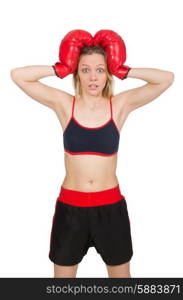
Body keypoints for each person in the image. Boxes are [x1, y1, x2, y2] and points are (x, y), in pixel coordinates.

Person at [10, 30, 174, 278]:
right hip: (71, 209)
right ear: (77, 73)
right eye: (85, 70)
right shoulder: (65, 104)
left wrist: (125, 70)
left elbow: (166, 79)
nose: (93, 77)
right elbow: (18, 76)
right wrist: (60, 68)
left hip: (110, 209)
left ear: (109, 74)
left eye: (100, 69)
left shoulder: (119, 106)